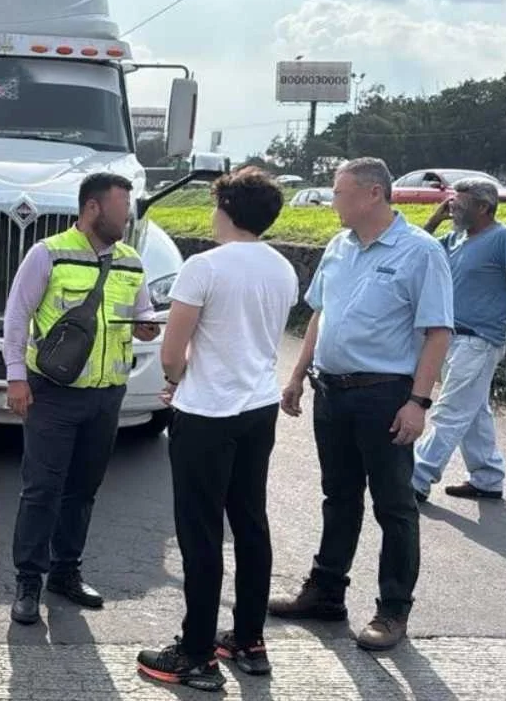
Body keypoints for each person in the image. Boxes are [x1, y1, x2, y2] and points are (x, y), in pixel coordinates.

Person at [270, 157, 454, 651]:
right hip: (332, 390)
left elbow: (438, 332)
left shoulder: (420, 251)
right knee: (339, 496)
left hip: (384, 394)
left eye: (338, 192)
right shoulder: (338, 246)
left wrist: (418, 401)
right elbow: (320, 315)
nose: (332, 201)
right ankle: (327, 591)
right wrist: (296, 375)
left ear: (373, 194)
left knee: (393, 505)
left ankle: (393, 610)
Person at [135, 168, 298, 692]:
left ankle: (197, 652)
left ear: (224, 208)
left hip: (207, 410)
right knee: (250, 522)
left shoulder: (202, 267)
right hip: (259, 406)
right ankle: (249, 640)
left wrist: (173, 382)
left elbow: (171, 350)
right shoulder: (282, 269)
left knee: (200, 531)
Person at [2, 171, 160, 626]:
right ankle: (29, 579)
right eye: (120, 207)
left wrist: (147, 324)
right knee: (41, 490)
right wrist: (16, 378)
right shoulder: (48, 254)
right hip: (53, 394)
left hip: (107, 396)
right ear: (93, 208)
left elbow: (142, 312)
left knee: (83, 492)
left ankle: (66, 573)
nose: (127, 216)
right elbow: (17, 317)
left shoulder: (131, 261)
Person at [411, 178, 506, 502]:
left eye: (460, 203)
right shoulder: (453, 238)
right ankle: (488, 478)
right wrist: (437, 217)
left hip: (479, 341)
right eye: (452, 202)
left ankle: (416, 478)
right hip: (449, 339)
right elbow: (415, 250)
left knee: (449, 411)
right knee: (474, 412)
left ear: (483, 207)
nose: (453, 208)